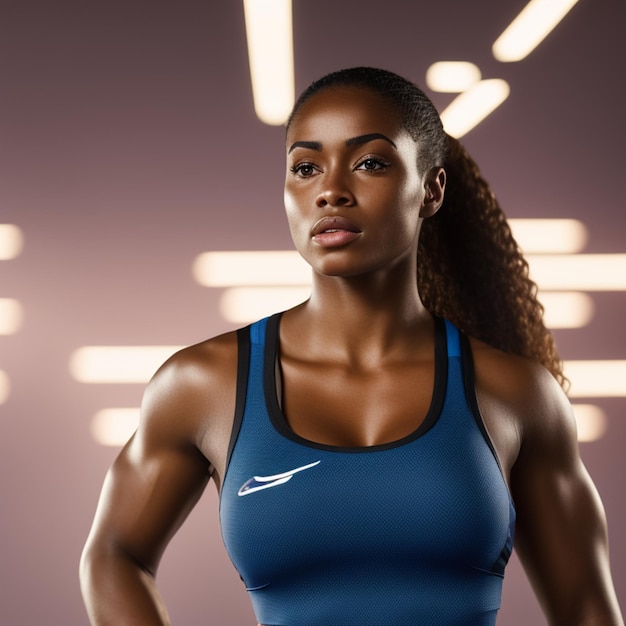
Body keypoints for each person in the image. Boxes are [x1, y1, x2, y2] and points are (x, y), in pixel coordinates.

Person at [80, 67, 623, 625]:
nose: (331, 190)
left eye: (370, 163)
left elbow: (585, 605)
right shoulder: (203, 385)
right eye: (306, 167)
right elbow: (113, 556)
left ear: (431, 190)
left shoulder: (514, 394)